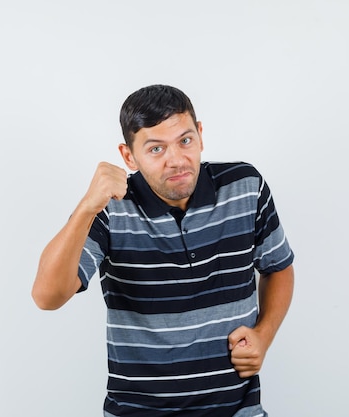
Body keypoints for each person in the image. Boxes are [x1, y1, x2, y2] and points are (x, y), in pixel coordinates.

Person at [32, 84, 295, 417]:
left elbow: (277, 267)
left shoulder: (245, 187)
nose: (176, 160)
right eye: (156, 149)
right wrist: (86, 207)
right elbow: (47, 296)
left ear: (200, 135)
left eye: (185, 141)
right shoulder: (112, 208)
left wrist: (264, 334)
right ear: (129, 156)